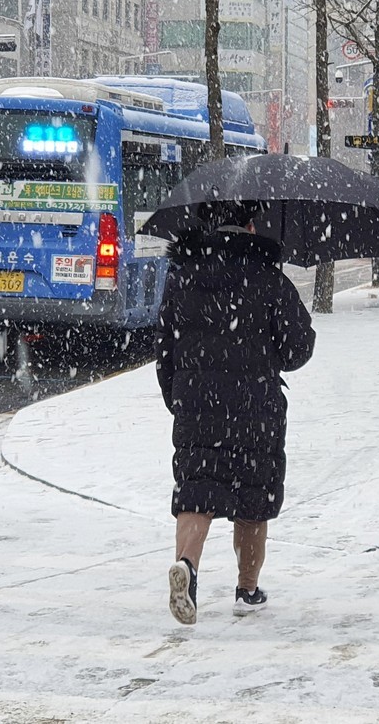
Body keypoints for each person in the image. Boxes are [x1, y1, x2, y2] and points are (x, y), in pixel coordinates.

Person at [156, 200, 316, 625]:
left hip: (196, 403)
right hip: (254, 406)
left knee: (197, 490)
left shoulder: (181, 275)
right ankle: (247, 587)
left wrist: (178, 396)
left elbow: (165, 348)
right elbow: (299, 349)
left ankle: (186, 568)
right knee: (253, 496)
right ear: (250, 223)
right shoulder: (267, 277)